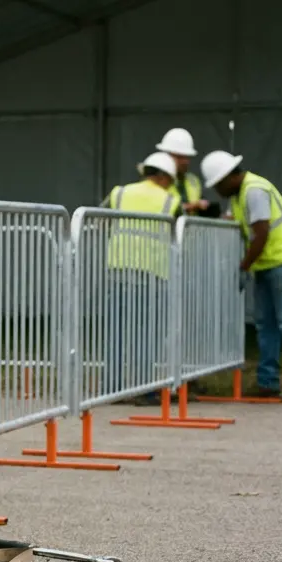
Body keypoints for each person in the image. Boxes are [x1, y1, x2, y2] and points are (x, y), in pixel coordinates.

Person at [201, 150, 282, 402]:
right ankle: (268, 382)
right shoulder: (239, 195)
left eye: (218, 185)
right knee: (266, 324)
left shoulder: (254, 191)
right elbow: (231, 220)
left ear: (229, 178)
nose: (217, 191)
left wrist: (244, 266)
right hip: (267, 264)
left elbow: (261, 234)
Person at [102, 152, 182, 406]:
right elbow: (178, 233)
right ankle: (145, 389)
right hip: (153, 272)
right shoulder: (171, 199)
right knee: (148, 333)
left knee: (114, 330)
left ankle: (111, 388)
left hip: (118, 269)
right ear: (163, 176)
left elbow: (99, 216)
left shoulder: (120, 193)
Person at [155, 128, 220, 218]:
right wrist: (192, 207)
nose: (185, 162)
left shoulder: (193, 180)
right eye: (179, 157)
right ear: (166, 155)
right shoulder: (156, 180)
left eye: (187, 157)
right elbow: (158, 208)